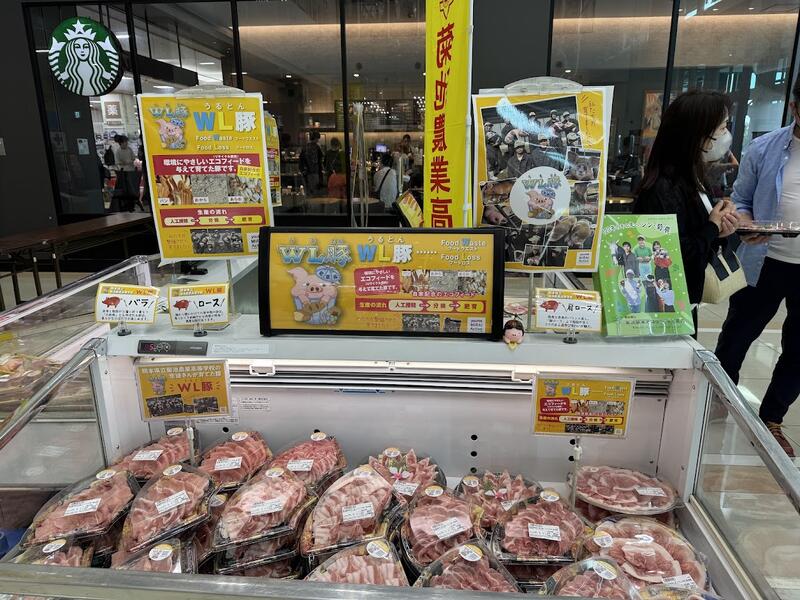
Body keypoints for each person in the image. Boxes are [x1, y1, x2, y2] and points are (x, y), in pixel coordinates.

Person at [714, 76, 800, 456]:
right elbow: (741, 199)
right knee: (737, 335)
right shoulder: (765, 148)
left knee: (799, 348)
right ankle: (717, 399)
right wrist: (747, 223)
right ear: (795, 108)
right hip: (764, 260)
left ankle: (772, 418)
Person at [633, 90, 739, 332]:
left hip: (687, 301)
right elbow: (672, 254)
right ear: (697, 134)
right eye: (722, 128)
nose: (725, 135)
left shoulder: (693, 177)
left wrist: (720, 229)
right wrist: (712, 226)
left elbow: (696, 236)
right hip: (669, 307)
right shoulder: (663, 188)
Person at [113, 135, 139, 212]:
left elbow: (133, 158)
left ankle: (132, 205)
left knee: (132, 189)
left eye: (126, 142)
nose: (126, 144)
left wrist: (131, 161)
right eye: (125, 142)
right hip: (124, 172)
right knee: (126, 190)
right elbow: (117, 162)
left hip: (131, 171)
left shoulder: (129, 149)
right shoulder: (118, 151)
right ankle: (126, 205)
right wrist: (124, 163)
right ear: (121, 143)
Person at [300, 131, 324, 196]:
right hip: (315, 170)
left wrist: (303, 169)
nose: (318, 140)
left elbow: (301, 159)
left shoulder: (305, 147)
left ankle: (310, 198)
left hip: (307, 171)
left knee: (309, 188)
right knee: (315, 188)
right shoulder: (316, 147)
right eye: (317, 139)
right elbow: (321, 158)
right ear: (315, 138)